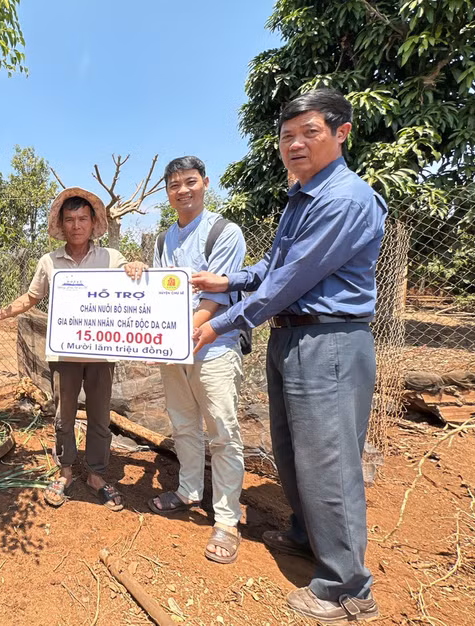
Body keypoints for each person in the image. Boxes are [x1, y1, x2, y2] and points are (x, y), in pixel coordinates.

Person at [191, 88, 386, 622]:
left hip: (329, 341)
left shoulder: (345, 199)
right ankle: (306, 535)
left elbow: (290, 282)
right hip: (293, 338)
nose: (295, 144)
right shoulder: (304, 195)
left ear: (341, 133)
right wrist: (230, 278)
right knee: (294, 449)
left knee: (329, 460)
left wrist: (222, 322)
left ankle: (348, 588)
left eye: (310, 133)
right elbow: (275, 267)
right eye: (286, 136)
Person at [125, 156, 247, 564]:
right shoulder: (164, 240)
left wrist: (180, 335)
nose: (182, 190)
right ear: (167, 191)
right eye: (174, 184)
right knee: (182, 424)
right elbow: (158, 292)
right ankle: (189, 491)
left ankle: (227, 519)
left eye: (190, 182)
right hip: (173, 348)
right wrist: (138, 270)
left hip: (212, 346)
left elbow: (216, 297)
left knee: (222, 430)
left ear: (205, 183)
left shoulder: (224, 232)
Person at [0, 187, 127, 510]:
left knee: (101, 415)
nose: (76, 225)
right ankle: (66, 471)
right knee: (64, 415)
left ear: (93, 222)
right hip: (65, 353)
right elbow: (29, 299)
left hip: (102, 354)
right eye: (70, 219)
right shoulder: (49, 262)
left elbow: (133, 288)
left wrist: (138, 269)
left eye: (82, 219)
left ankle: (97, 475)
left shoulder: (112, 259)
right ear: (62, 224)